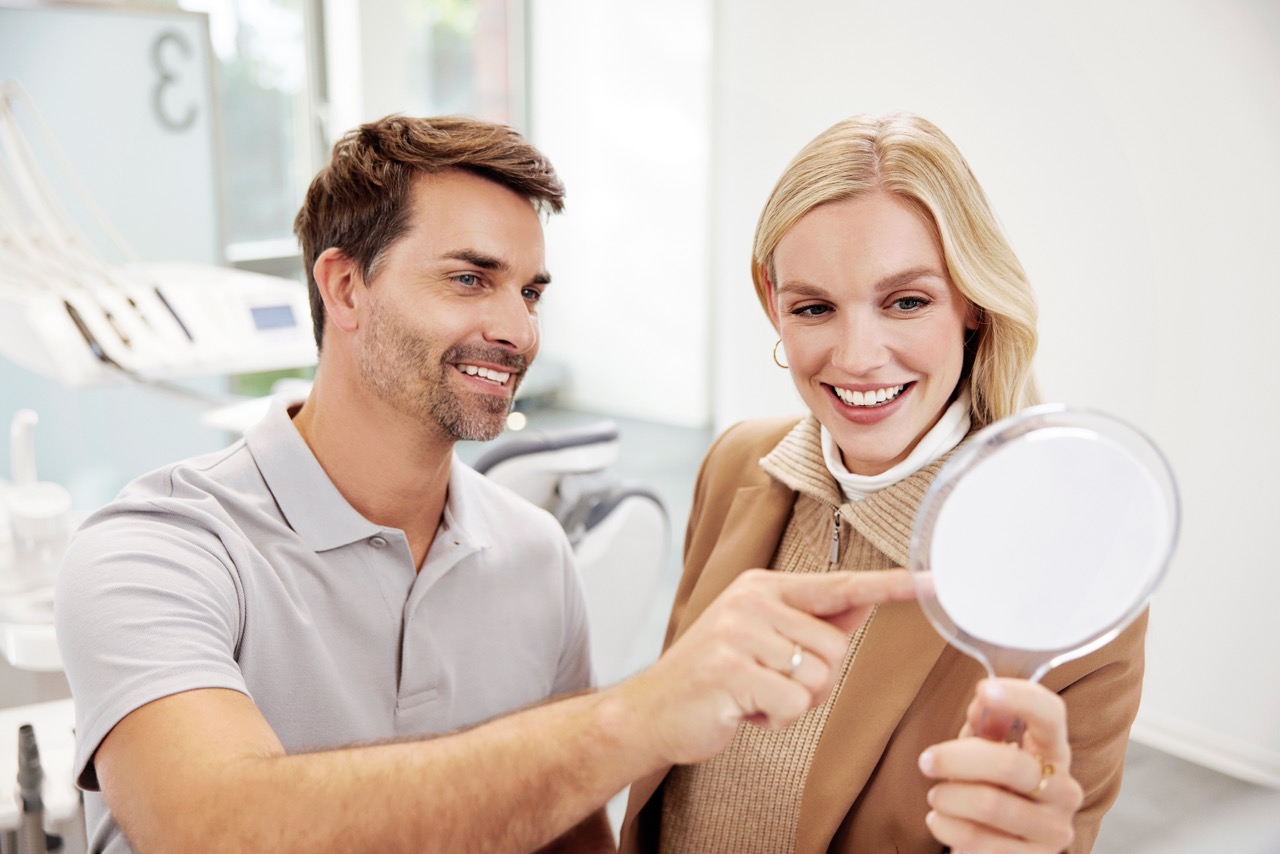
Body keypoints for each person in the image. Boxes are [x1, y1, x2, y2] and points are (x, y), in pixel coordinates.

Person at [53, 114, 923, 853]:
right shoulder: (157, 551)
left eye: (531, 291)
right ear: (345, 286)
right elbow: (212, 826)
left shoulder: (534, 555)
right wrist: (637, 716)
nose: (514, 328)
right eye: (470, 279)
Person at [619, 113, 1147, 853]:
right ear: (774, 303)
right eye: (813, 307)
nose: (858, 355)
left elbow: (1056, 825)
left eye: (907, 301)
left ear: (971, 303)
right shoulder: (737, 464)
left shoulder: (1073, 572)